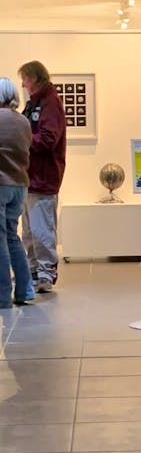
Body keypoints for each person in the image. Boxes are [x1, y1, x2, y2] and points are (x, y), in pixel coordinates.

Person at [18, 60, 66, 293]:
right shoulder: (34, 103)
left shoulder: (50, 103)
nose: (23, 84)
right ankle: (34, 271)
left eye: (25, 79)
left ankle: (45, 275)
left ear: (34, 78)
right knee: (28, 231)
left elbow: (48, 139)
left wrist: (21, 140)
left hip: (43, 178)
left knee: (41, 230)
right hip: (29, 177)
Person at [0, 78, 35, 307]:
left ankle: (2, 296)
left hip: (1, 184)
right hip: (19, 185)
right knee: (12, 236)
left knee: (1, 239)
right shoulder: (23, 120)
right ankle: (25, 290)